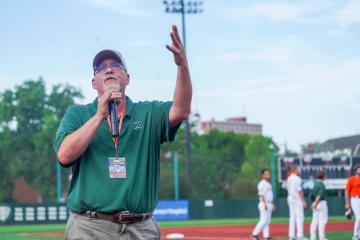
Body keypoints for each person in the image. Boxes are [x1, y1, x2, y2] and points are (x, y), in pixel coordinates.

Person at [53, 25, 192, 240]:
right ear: (93, 82)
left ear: (127, 78)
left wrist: (182, 66)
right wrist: (99, 116)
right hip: (90, 227)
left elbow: (181, 110)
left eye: (116, 65)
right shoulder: (78, 114)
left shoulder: (148, 113)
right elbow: (64, 155)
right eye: (101, 68)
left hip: (141, 228)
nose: (108, 69)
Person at [252, 169, 275, 240]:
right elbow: (261, 195)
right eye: (266, 174)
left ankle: (266, 236)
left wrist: (273, 203)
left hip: (269, 203)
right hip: (264, 203)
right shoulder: (261, 183)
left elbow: (269, 195)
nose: (268, 175)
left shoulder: (268, 183)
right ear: (262, 175)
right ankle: (254, 234)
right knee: (263, 220)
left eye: (268, 173)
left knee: (267, 221)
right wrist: (265, 204)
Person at [287, 165, 307, 240]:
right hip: (297, 199)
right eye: (299, 169)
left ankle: (291, 236)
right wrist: (304, 202)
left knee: (292, 217)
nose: (300, 170)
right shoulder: (297, 178)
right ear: (295, 170)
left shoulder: (289, 178)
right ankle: (300, 236)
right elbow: (299, 191)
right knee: (300, 217)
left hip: (290, 198)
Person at [310, 170, 328, 240]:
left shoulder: (315, 184)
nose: (326, 176)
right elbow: (320, 195)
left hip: (315, 203)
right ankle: (322, 237)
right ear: (323, 176)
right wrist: (316, 203)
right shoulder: (322, 185)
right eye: (325, 175)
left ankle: (313, 237)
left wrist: (314, 203)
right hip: (321, 203)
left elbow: (312, 195)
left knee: (314, 221)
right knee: (322, 221)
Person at [345, 164, 360, 240]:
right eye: (359, 169)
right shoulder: (351, 179)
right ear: (356, 170)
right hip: (355, 199)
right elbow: (347, 192)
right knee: (359, 217)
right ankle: (355, 235)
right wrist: (347, 203)